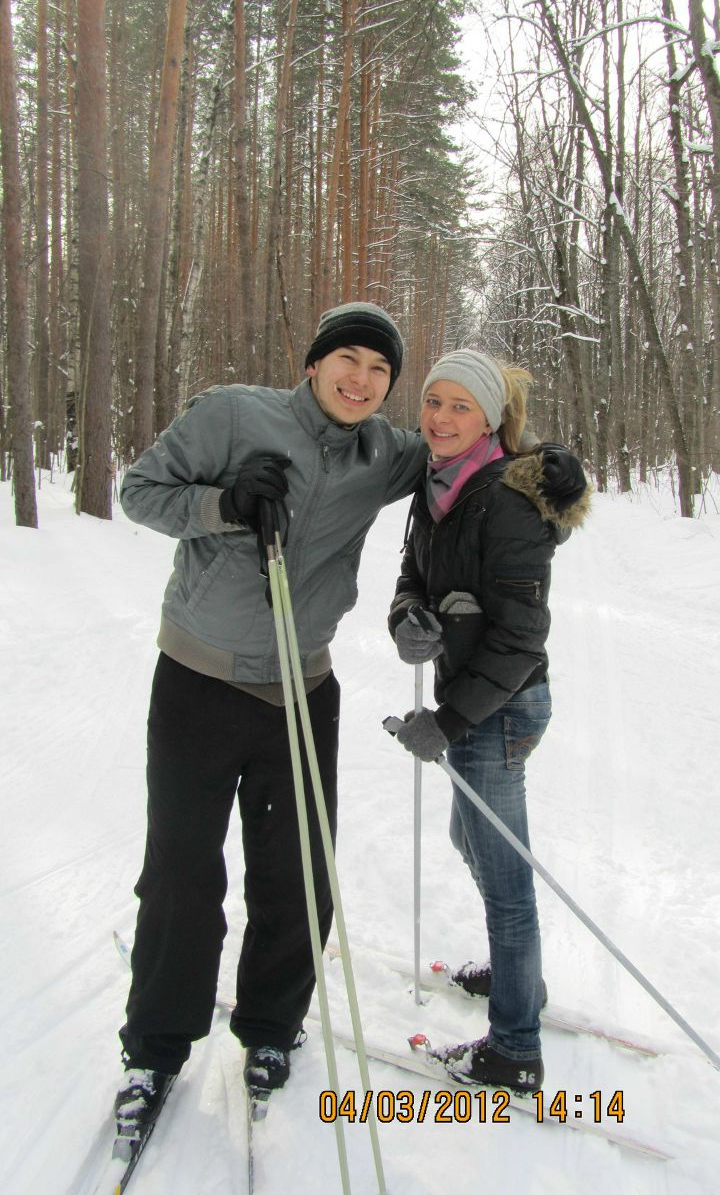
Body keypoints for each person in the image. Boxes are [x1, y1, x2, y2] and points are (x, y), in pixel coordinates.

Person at [113, 302, 429, 1140]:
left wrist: (543, 470)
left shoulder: (385, 454)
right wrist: (224, 502)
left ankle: (269, 1029)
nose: (361, 380)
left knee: (297, 875)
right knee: (182, 874)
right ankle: (153, 1049)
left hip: (301, 685)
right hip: (197, 680)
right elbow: (137, 492)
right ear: (315, 360)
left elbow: (466, 449)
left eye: (379, 371)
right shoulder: (230, 413)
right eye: (348, 360)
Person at [387, 349, 588, 1091]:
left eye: (459, 406)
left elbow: (519, 640)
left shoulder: (506, 500)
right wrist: (408, 616)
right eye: (433, 401)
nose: (439, 418)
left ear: (491, 419)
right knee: (465, 837)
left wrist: (449, 720)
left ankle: (514, 1049)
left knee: (507, 881)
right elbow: (412, 573)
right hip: (470, 698)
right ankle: (519, 980)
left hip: (499, 707)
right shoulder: (435, 485)